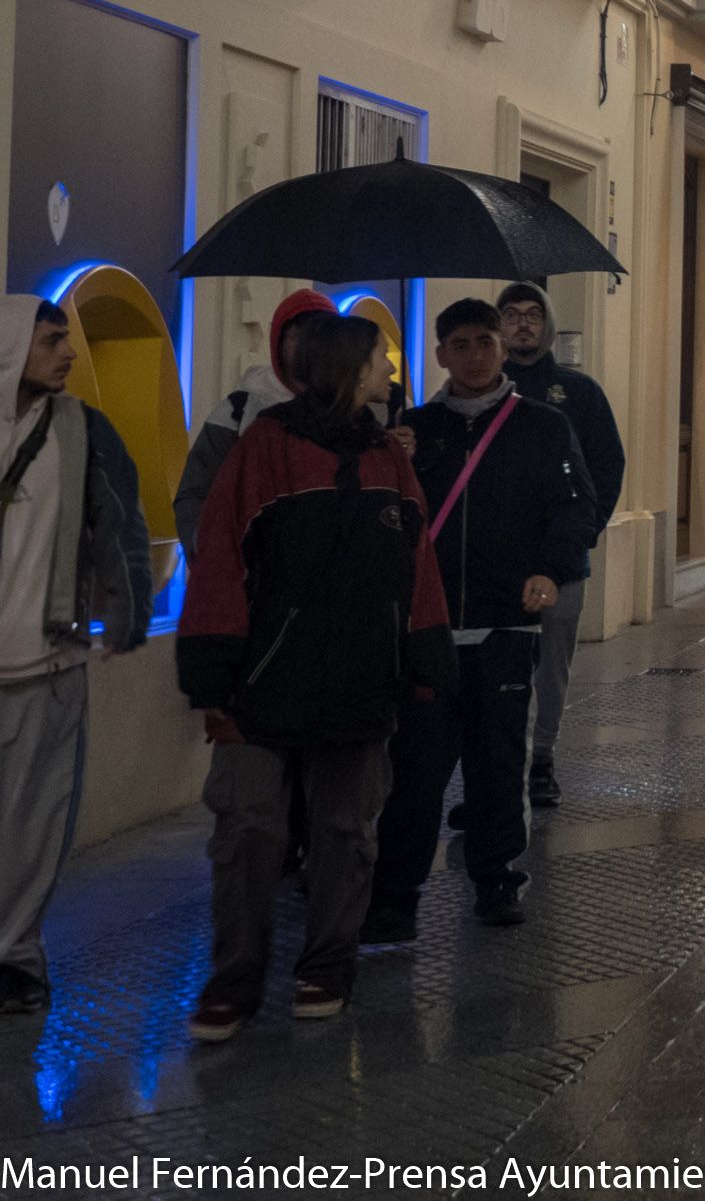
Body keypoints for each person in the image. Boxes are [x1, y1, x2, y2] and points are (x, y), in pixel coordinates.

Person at [180, 315, 449, 1041]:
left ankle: (326, 966)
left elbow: (416, 564)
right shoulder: (264, 449)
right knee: (248, 830)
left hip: (362, 679)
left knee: (345, 830)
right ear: (344, 369)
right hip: (262, 681)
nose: (390, 369)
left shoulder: (388, 459)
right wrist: (211, 670)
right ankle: (234, 979)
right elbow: (220, 558)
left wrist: (424, 656)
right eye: (379, 359)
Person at [365, 300, 596, 939]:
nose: (475, 356)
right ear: (440, 353)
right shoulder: (413, 429)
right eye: (460, 344)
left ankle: (496, 879)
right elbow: (383, 521)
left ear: (502, 347)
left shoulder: (544, 428)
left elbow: (575, 507)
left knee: (498, 764)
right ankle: (397, 893)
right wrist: (395, 462)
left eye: (486, 342)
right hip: (428, 628)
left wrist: (552, 569)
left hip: (504, 624)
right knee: (415, 768)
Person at [0, 297, 153, 1018]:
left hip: (47, 664)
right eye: (53, 340)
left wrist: (128, 616)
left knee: (35, 822)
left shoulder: (84, 431)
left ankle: (15, 959)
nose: (67, 353)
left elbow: (122, 522)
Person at [494, 283, 625, 812]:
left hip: (561, 562)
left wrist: (584, 532)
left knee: (551, 666)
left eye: (532, 315)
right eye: (511, 315)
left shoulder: (579, 393)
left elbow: (607, 466)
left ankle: (541, 758)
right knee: (497, 670)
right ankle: (501, 768)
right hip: (497, 562)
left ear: (546, 324)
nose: (522, 324)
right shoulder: (481, 390)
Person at [171, 288, 333, 545]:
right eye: (296, 336)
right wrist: (212, 551)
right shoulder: (239, 411)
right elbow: (196, 492)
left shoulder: (354, 413)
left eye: (319, 337)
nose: (307, 347)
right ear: (277, 342)